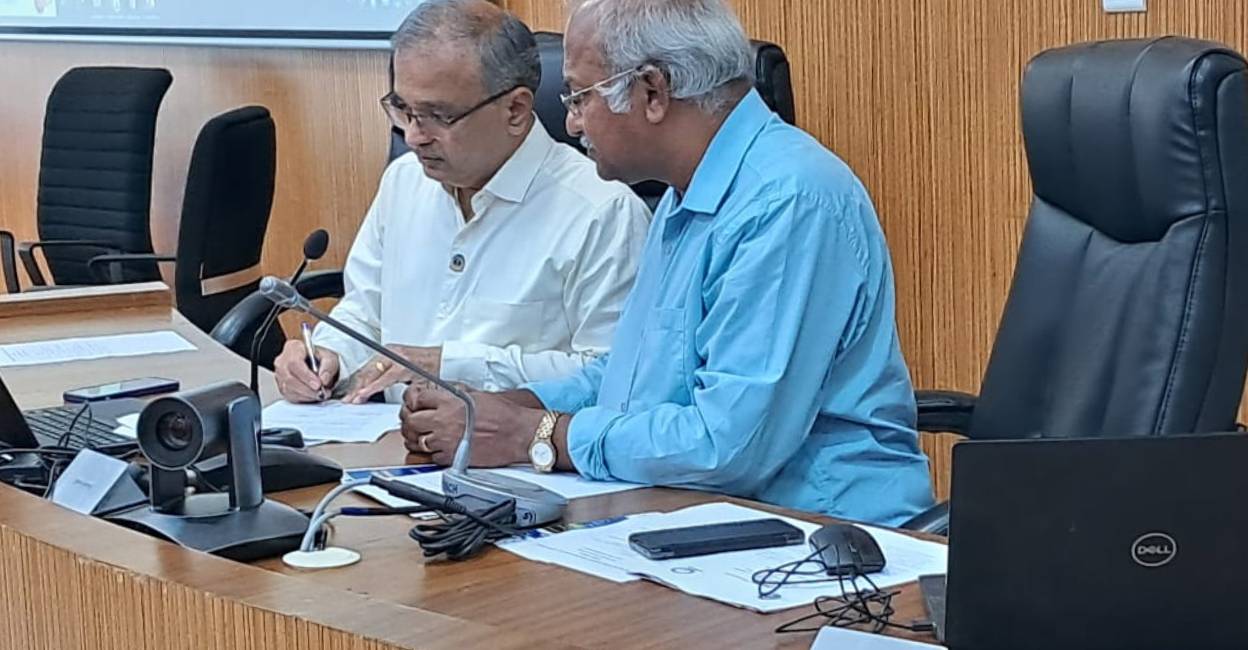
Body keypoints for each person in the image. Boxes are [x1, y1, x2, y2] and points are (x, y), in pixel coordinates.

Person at [399, 0, 933, 526]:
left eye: (580, 97)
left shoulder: (788, 200)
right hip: (695, 517)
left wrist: (535, 435)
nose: (572, 122)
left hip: (828, 538)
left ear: (652, 92)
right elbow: (632, 377)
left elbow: (729, 446)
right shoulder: (684, 193)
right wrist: (503, 408)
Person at [273, 0, 650, 404]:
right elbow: (365, 312)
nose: (414, 137)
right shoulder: (403, 181)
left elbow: (611, 375)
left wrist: (449, 365)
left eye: (438, 115)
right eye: (403, 110)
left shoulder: (602, 212)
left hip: (514, 442)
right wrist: (327, 355)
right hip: (383, 435)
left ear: (515, 109)